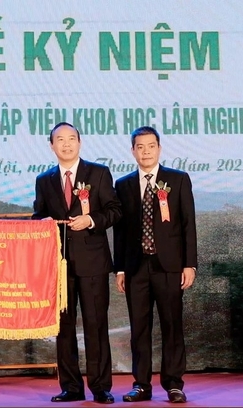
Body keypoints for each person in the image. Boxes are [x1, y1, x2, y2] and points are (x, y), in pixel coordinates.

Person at [32, 122, 121, 404]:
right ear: (52, 146)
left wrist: (91, 220)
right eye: (60, 140)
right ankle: (70, 387)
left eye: (71, 139)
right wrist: (42, 223)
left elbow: (114, 211)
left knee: (96, 325)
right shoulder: (44, 180)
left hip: (93, 262)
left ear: (80, 143)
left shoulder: (98, 173)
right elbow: (39, 215)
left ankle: (100, 388)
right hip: (58, 265)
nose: (66, 144)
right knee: (64, 327)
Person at [113, 126, 197, 403]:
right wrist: (120, 268)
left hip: (170, 267)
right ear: (133, 150)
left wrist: (189, 265)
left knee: (172, 325)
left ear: (159, 148)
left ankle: (174, 384)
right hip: (136, 267)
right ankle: (141, 384)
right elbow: (121, 231)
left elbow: (188, 225)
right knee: (139, 328)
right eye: (140, 146)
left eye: (151, 146)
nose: (146, 151)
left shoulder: (178, 179)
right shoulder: (123, 185)